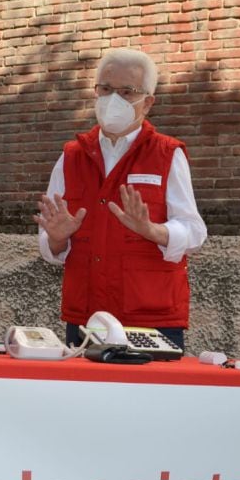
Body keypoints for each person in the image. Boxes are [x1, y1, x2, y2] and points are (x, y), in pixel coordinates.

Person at [35, 48, 207, 350]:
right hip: (87, 318)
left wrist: (154, 231)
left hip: (151, 318)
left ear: (148, 102)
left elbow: (194, 233)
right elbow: (49, 243)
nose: (113, 99)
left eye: (127, 92)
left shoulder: (167, 154)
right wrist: (57, 239)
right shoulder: (70, 156)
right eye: (105, 89)